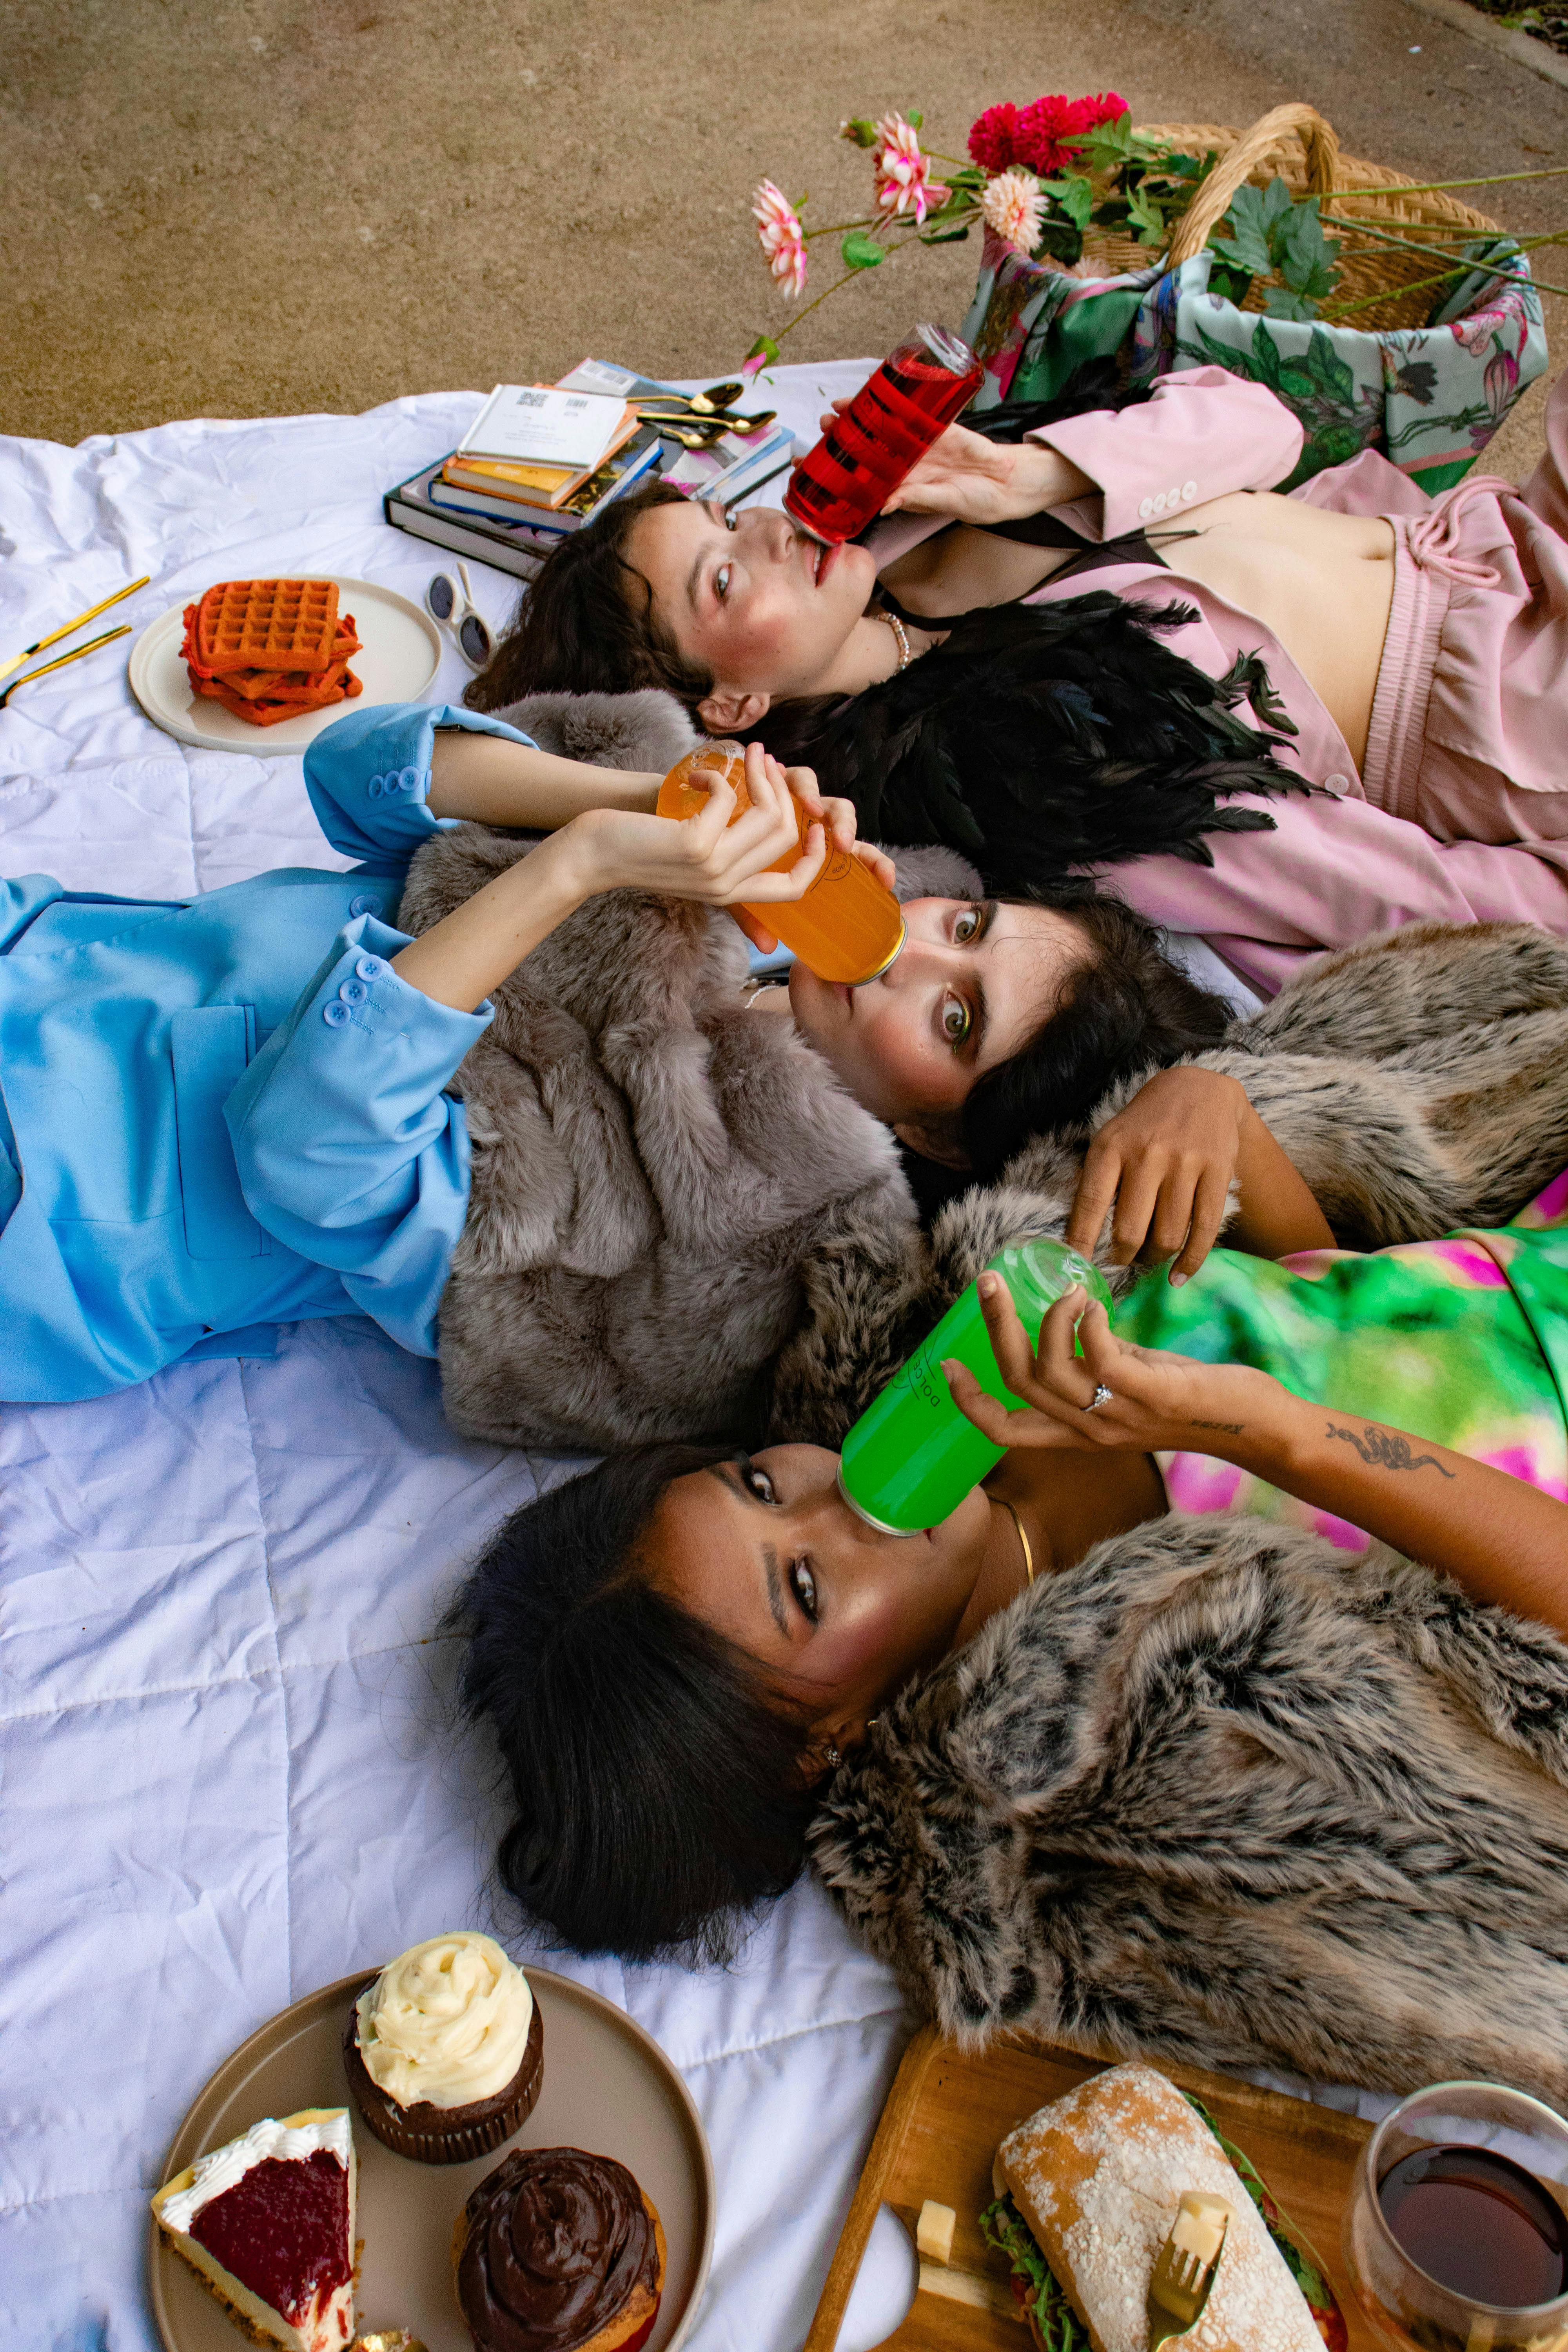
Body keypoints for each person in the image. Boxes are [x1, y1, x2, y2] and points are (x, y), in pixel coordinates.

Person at [448, 1149, 1568, 1962]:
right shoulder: (1167, 1708)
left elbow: (1340, 1296)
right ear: (819, 1748)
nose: (828, 1493)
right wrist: (1267, 1431)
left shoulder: (977, 1359)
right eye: (802, 1585)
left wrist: (1233, 1128)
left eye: (757, 1483)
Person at [0, 697, 1231, 1408]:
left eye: (954, 1020)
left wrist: (579, 864)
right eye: (962, 926)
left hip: (61, 1206)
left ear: (934, 1135)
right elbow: (355, 775)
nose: (910, 954)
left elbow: (307, 1151)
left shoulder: (727, 1238)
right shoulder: (748, 880)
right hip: (57, 949)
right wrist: (651, 804)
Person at [463, 363, 1568, 996]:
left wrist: (1029, 472)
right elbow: (1403, 900)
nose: (759, 524)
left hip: (1503, 531)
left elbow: (1265, 423)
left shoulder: (915, 520)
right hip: (1519, 715)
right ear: (733, 706)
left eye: (719, 512)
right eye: (720, 579)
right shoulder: (1025, 764)